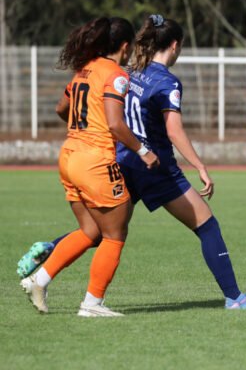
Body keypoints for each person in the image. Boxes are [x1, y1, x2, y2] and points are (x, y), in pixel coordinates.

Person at [19, 15, 246, 311]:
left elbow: (76, 108)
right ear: (175, 45)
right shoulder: (167, 81)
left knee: (101, 230)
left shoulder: (128, 70)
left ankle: (50, 250)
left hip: (121, 159)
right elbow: (173, 131)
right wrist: (200, 165)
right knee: (206, 225)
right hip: (155, 167)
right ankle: (235, 298)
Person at [21, 17, 160, 317]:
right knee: (115, 234)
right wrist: (143, 151)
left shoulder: (83, 69)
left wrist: (82, 126)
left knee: (90, 231)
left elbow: (61, 109)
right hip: (94, 160)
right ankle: (92, 304)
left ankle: (38, 281)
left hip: (69, 155)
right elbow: (115, 124)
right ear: (125, 46)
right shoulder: (115, 74)